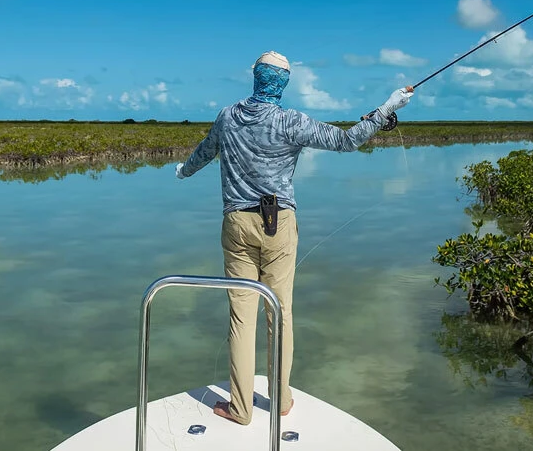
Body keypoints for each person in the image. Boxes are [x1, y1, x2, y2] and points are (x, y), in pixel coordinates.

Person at [174, 51, 414, 424]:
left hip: (236, 224)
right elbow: (347, 141)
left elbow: (204, 153)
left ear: (255, 76)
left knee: (241, 317)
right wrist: (386, 107)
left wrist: (182, 172)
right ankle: (281, 400)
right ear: (283, 83)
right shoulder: (292, 122)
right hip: (278, 224)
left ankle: (239, 408)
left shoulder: (226, 117)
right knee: (280, 312)